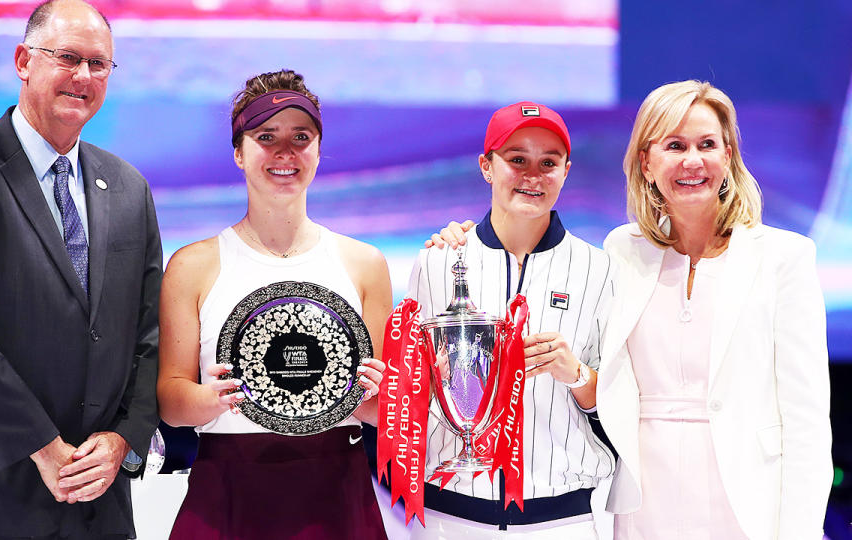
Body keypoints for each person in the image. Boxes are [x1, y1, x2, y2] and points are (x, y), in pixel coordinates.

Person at [0, 1, 162, 538]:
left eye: (99, 64)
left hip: (96, 506)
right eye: (67, 57)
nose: (83, 77)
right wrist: (44, 448)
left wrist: (123, 440)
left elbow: (150, 334)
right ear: (23, 60)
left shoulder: (129, 187)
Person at [156, 69, 392, 539]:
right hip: (228, 489)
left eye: (300, 137)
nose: (285, 152)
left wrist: (380, 397)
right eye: (267, 137)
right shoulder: (193, 265)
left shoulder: (365, 263)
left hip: (337, 490)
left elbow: (379, 410)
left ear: (319, 152)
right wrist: (210, 399)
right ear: (239, 153)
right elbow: (170, 400)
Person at [596, 80, 831, 539]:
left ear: (728, 157)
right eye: (675, 145)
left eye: (707, 144)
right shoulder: (621, 250)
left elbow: (806, 420)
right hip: (644, 508)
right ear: (647, 161)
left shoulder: (784, 258)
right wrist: (465, 244)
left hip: (746, 504)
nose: (692, 160)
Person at [412, 102, 614, 538]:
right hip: (450, 516)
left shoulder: (599, 270)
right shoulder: (438, 262)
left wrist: (577, 374)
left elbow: (621, 402)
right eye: (516, 159)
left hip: (562, 521)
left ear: (566, 171)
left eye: (548, 163)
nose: (532, 175)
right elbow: (408, 389)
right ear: (487, 166)